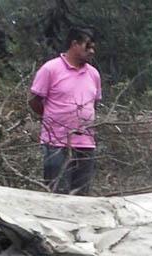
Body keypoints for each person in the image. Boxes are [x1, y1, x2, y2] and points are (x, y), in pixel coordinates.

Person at [29, 27, 101, 195]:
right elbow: (34, 100)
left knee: (82, 196)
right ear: (74, 44)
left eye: (93, 47)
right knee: (57, 194)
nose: (91, 51)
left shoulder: (93, 74)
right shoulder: (50, 69)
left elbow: (94, 104)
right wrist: (51, 119)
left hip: (86, 144)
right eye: (87, 46)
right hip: (56, 144)